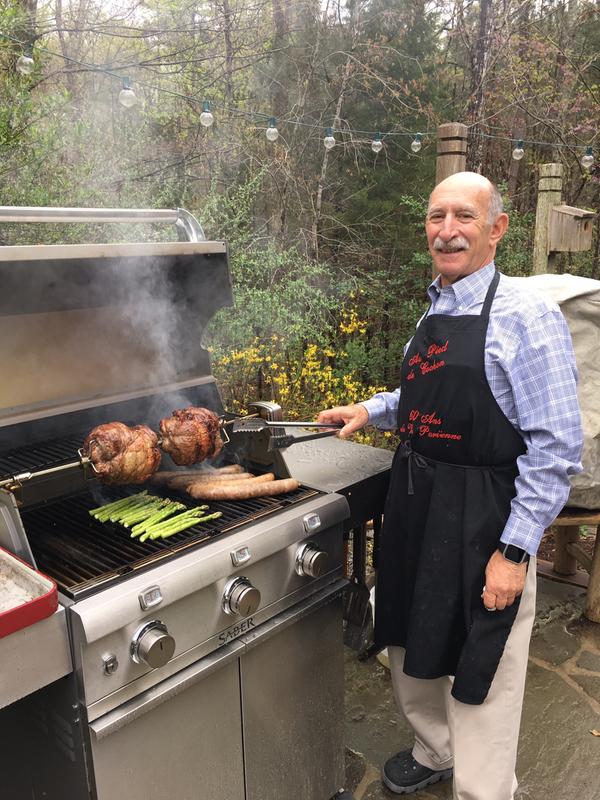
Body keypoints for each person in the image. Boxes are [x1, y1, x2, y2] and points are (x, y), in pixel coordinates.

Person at [318, 171, 583, 800]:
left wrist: (515, 552)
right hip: (417, 503)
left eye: (464, 216)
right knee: (409, 636)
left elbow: (556, 448)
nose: (447, 230)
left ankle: (484, 790)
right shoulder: (438, 304)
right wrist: (373, 409)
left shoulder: (527, 317)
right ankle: (434, 747)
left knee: (483, 659)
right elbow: (425, 395)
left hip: (484, 517)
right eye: (437, 217)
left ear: (496, 229)